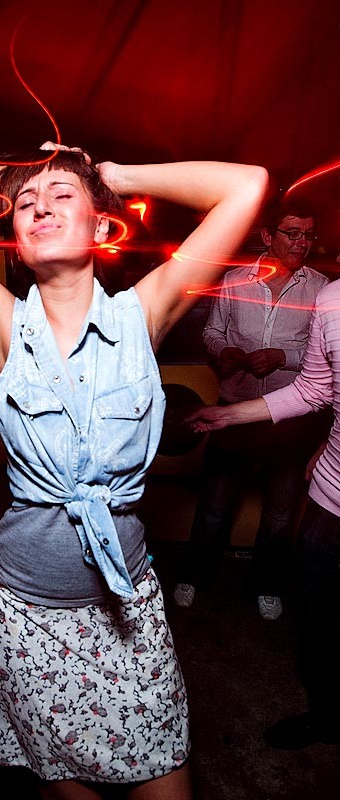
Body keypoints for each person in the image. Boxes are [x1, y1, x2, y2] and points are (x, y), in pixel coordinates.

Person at [0, 143, 268, 799]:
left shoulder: (142, 313)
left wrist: (109, 176)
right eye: (25, 205)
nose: (40, 207)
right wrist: (14, 178)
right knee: (65, 789)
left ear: (101, 224)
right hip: (25, 615)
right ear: (14, 236)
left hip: (126, 608)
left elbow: (247, 185)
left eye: (62, 197)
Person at [186, 277, 339, 749]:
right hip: (328, 502)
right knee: (317, 619)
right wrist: (229, 415)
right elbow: (314, 389)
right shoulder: (331, 299)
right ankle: (325, 715)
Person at [173, 200, 330, 620]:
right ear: (267, 236)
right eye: (292, 233)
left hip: (291, 418)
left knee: (280, 512)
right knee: (215, 503)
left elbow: (323, 359)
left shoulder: (321, 288)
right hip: (235, 408)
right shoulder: (234, 280)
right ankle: (193, 576)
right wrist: (222, 350)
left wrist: (282, 356)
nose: (301, 242)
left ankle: (267, 585)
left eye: (308, 235)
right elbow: (212, 331)